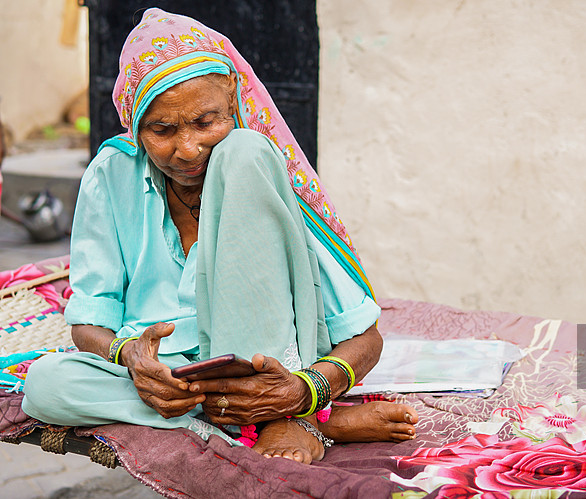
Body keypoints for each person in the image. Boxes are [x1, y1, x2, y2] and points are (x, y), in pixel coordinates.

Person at [21, 7, 417, 464]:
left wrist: (306, 388)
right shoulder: (112, 174)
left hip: (276, 369)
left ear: (232, 96)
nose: (188, 149)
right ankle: (305, 423)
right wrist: (130, 357)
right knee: (46, 385)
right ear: (135, 124)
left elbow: (366, 340)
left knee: (243, 151)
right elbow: (89, 320)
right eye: (161, 130)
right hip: (172, 375)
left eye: (206, 123)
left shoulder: (253, 163)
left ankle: (283, 413)